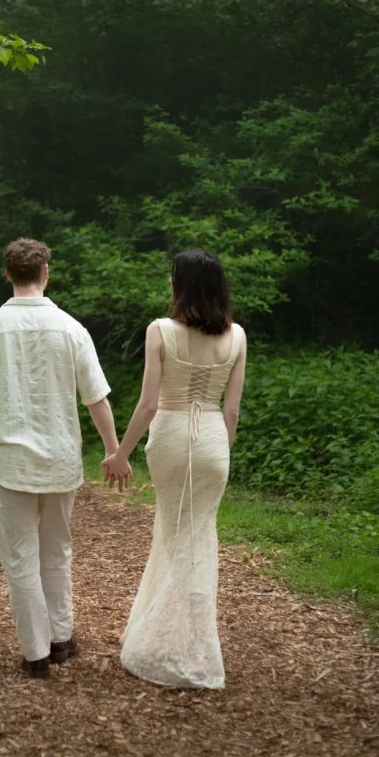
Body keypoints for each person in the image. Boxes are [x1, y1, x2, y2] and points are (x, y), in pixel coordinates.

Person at [0, 238, 131, 679]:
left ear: (9, 274)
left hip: (9, 462)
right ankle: (61, 637)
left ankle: (35, 653)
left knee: (20, 556)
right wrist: (112, 449)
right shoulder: (71, 329)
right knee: (57, 549)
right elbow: (97, 398)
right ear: (46, 272)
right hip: (60, 460)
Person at [103, 249, 247, 689]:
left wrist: (120, 453)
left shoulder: (160, 330)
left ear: (180, 285)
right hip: (211, 442)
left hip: (169, 437)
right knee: (200, 537)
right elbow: (233, 410)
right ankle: (198, 649)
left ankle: (168, 642)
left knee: (171, 533)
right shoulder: (237, 336)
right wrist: (220, 450)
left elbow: (148, 404)